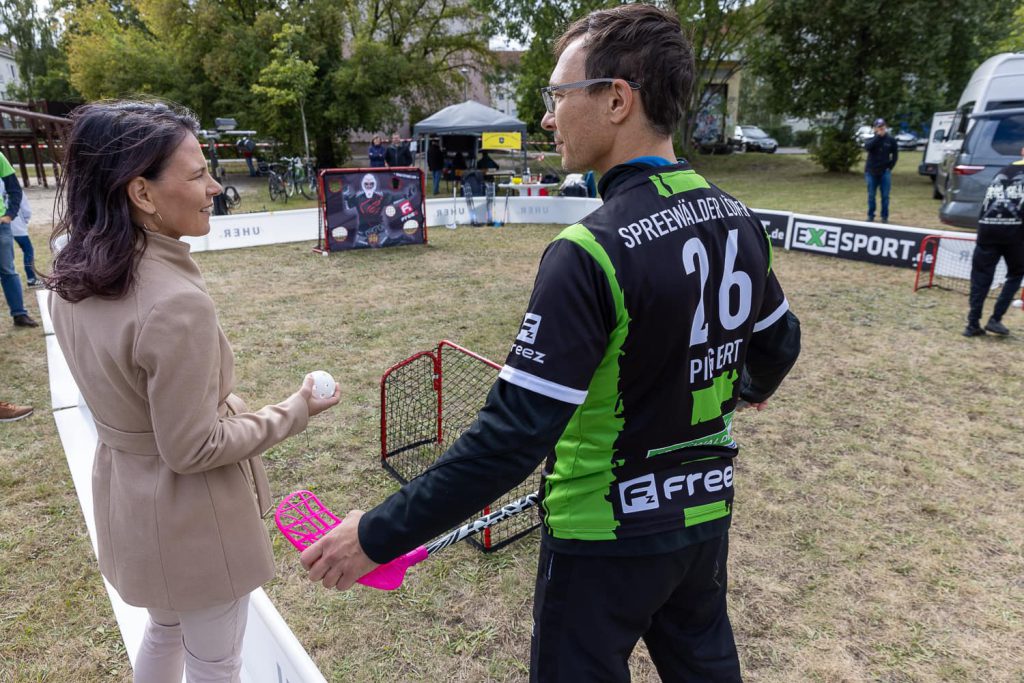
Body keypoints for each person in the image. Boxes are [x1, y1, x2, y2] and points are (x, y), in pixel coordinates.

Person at [302, 5, 801, 681]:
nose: (547, 118)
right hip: (702, 517)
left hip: (600, 537)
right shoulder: (737, 218)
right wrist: (738, 389)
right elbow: (778, 346)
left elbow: (509, 440)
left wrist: (376, 534)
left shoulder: (588, 250)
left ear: (617, 99)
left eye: (557, 97)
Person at [46, 100, 340, 682]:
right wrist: (297, 408)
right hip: (191, 517)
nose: (214, 188)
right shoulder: (173, 302)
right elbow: (193, 447)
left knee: (165, 629)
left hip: (130, 500)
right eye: (198, 173)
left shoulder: (75, 276)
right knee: (215, 662)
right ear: (143, 194)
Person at [964, 145, 1024, 337]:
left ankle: (972, 324)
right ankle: (995, 319)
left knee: (981, 276)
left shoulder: (1003, 171)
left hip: (987, 228)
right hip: (1014, 231)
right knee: (1016, 273)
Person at [0, 152, 36, 327]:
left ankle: (19, 314)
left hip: (1, 226)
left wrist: (10, 214)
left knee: (8, 270)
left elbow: (14, 188)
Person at [864, 117, 898, 223]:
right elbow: (867, 147)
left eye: (882, 127)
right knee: (871, 195)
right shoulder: (871, 139)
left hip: (884, 172)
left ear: (886, 127)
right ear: (875, 129)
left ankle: (884, 216)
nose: (881, 129)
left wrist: (890, 167)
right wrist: (878, 137)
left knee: (885, 195)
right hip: (871, 171)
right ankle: (871, 215)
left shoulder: (891, 140)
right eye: (878, 127)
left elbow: (895, 155)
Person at [5, 190, 37, 286]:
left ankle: (7, 280)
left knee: (6, 255)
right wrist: (24, 221)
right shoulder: (16, 188)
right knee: (28, 250)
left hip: (3, 226)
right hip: (17, 225)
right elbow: (26, 209)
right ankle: (31, 278)